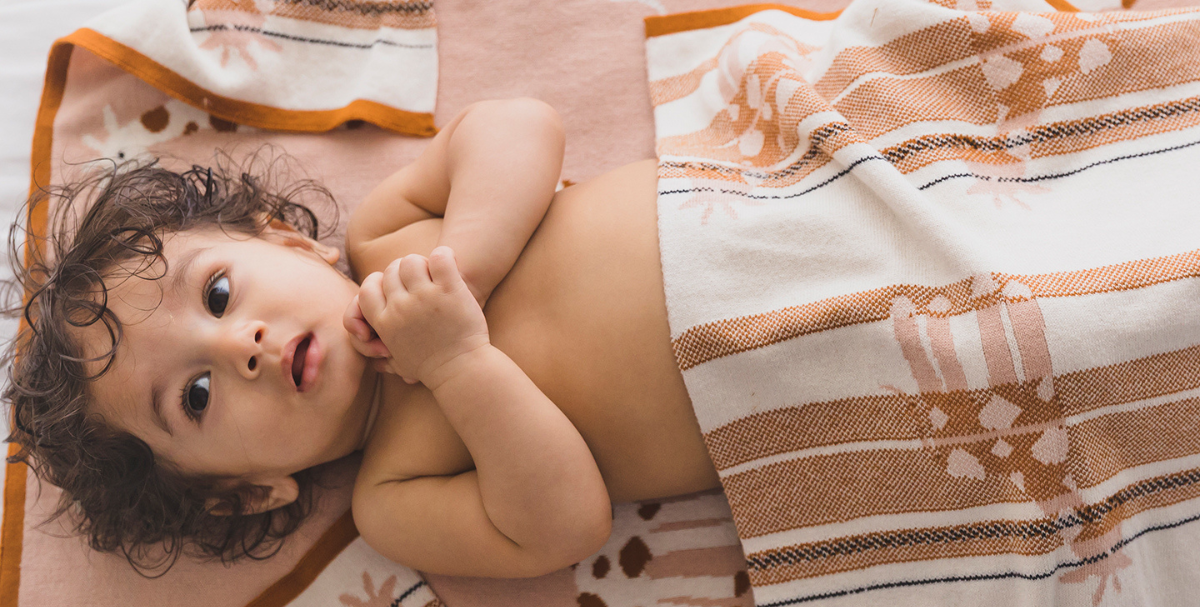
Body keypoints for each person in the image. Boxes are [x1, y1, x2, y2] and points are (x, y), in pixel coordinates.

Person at [4, 98, 719, 577]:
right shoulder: (394, 495)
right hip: (783, 372)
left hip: (760, 195)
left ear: (288, 241)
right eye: (195, 396)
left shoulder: (389, 235)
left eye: (218, 294)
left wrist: (467, 268)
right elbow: (565, 527)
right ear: (247, 494)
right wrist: (457, 361)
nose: (238, 348)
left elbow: (518, 124)